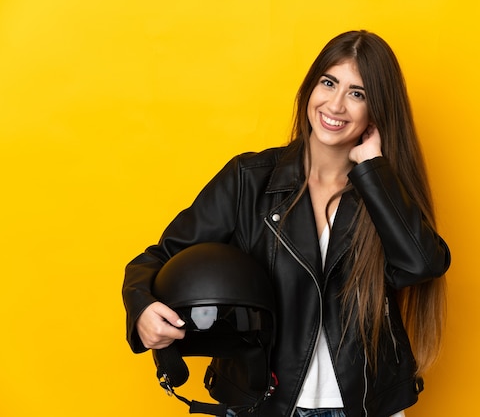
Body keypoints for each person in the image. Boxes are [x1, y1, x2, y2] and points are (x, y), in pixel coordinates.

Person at [122, 30, 451, 417]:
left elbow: (422, 264)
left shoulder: (382, 192)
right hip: (262, 402)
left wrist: (374, 172)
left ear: (377, 111)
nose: (336, 104)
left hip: (364, 406)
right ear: (311, 87)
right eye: (329, 83)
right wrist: (142, 308)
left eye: (357, 93)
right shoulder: (249, 178)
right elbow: (158, 259)